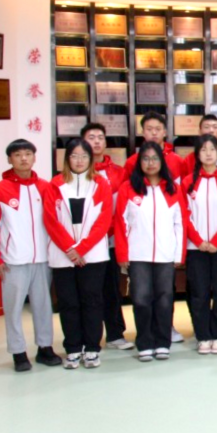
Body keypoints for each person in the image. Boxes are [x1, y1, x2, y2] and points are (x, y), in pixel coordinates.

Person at [0, 139, 62, 372]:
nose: (23, 158)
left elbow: (56, 222)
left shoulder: (46, 187)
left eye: (28, 153)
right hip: (13, 261)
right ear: (10, 159)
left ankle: (45, 348)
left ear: (35, 157)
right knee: (14, 308)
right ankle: (18, 352)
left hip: (43, 259)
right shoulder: (0, 190)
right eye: (17, 155)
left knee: (43, 306)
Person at [43, 139, 114, 369]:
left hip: (92, 254)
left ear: (91, 159)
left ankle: (92, 348)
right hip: (62, 255)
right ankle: (73, 348)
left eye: (84, 156)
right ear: (67, 159)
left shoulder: (100, 184)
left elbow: (104, 220)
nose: (79, 160)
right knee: (68, 303)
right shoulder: (55, 185)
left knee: (92, 301)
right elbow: (50, 220)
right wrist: (70, 249)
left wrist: (81, 248)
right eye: (74, 156)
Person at [114, 142, 186, 362]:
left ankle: (163, 342)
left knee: (165, 299)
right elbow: (121, 223)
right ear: (139, 163)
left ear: (162, 162)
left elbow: (180, 223)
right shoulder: (128, 188)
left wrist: (179, 254)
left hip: (165, 254)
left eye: (155, 158)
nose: (150, 163)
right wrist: (123, 255)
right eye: (145, 159)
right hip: (138, 255)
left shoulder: (173, 189)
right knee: (141, 299)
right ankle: (144, 343)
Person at [181, 135, 217, 355]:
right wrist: (198, 240)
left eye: (212, 149)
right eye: (203, 150)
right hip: (196, 248)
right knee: (199, 293)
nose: (208, 154)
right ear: (197, 154)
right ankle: (203, 335)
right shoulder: (188, 182)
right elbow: (184, 214)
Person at [81, 123, 132, 351]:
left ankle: (115, 334)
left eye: (100, 137)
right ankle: (88, 337)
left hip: (111, 239)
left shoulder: (119, 172)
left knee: (111, 289)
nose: (96, 141)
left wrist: (110, 231)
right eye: (91, 137)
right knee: (89, 291)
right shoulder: (76, 172)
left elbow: (123, 209)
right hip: (85, 243)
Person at [122, 111, 186, 181]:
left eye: (158, 129)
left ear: (164, 132)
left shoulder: (177, 161)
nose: (154, 133)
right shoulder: (132, 162)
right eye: (149, 129)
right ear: (143, 133)